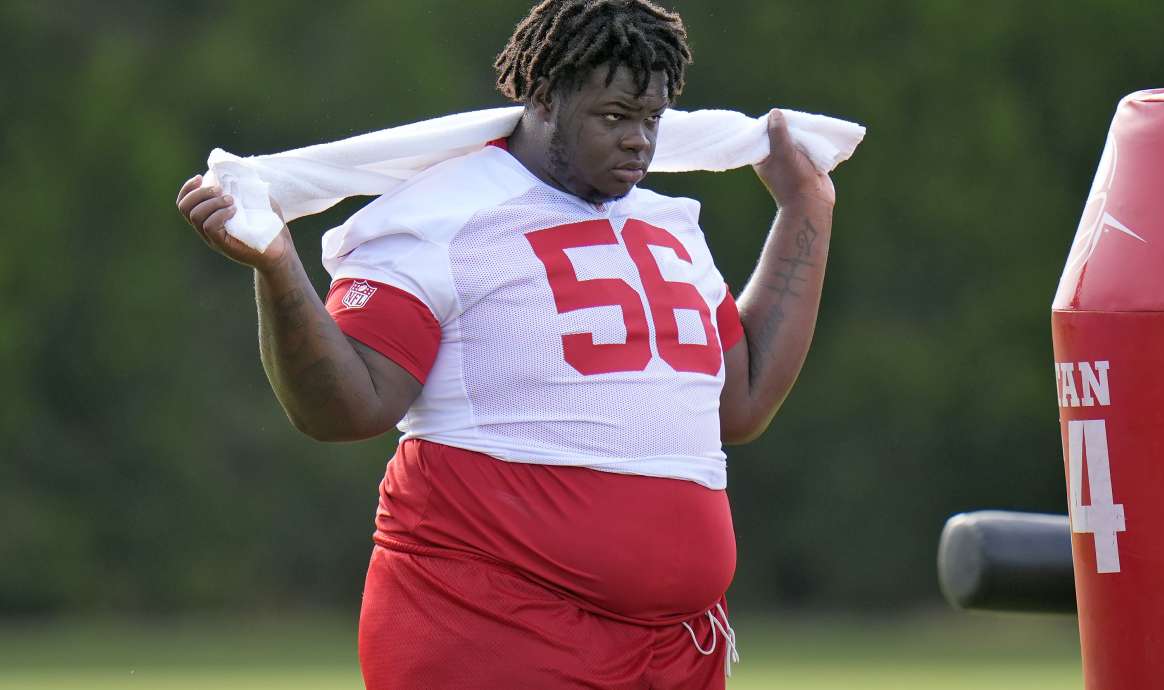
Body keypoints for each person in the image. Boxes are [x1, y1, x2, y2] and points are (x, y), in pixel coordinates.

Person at [175, 0, 836, 687]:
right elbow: (345, 410)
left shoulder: (670, 224)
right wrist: (279, 268)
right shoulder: (443, 213)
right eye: (613, 116)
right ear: (546, 99)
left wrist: (806, 209)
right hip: (494, 623)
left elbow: (743, 403)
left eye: (651, 120)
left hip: (675, 645)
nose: (639, 141)